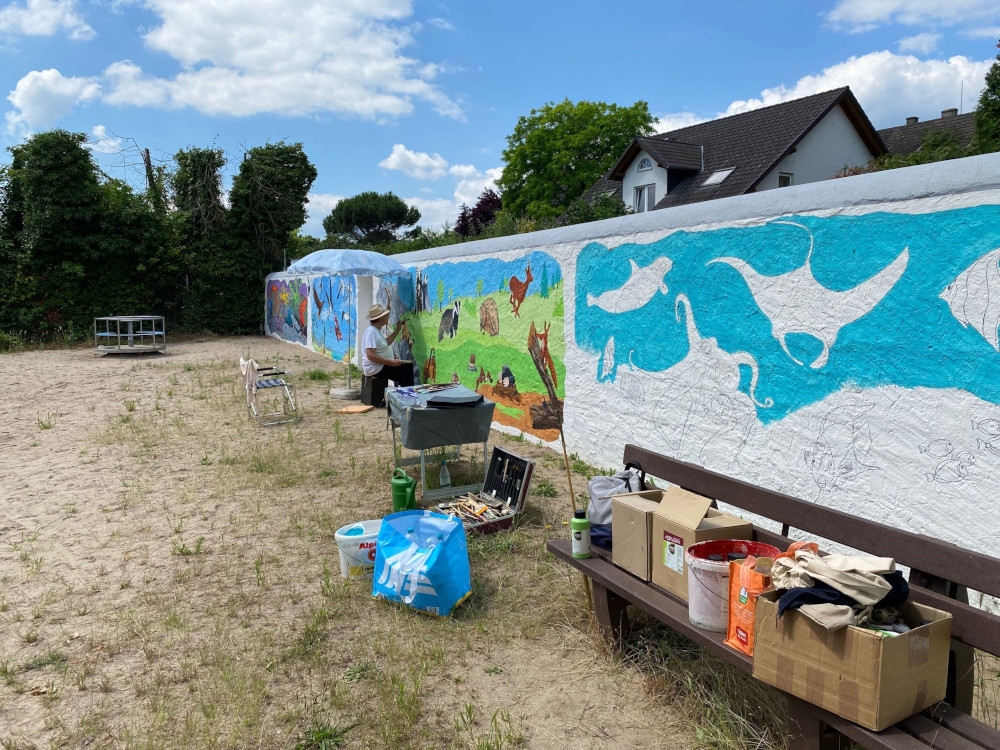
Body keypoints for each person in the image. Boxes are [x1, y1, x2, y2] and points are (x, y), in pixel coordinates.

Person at [362, 304, 415, 386]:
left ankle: (403, 392)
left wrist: (398, 329)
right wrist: (391, 362)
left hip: (378, 367)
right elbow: (370, 355)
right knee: (406, 369)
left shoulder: (375, 330)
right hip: (375, 368)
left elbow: (385, 343)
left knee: (405, 367)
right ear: (381, 318)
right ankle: (406, 395)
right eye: (386, 315)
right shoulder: (371, 332)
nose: (388, 317)